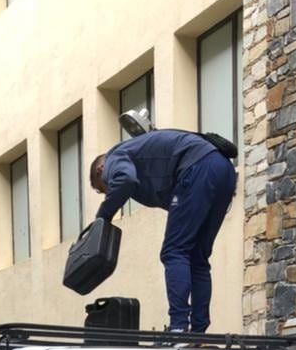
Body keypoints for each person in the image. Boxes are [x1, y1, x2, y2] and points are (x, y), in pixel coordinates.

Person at [90, 129, 237, 334]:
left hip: (197, 168)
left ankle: (178, 327)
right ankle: (198, 331)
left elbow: (125, 179)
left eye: (103, 188)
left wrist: (103, 216)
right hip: (224, 171)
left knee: (174, 251)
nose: (108, 190)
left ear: (100, 170)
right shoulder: (139, 153)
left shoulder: (114, 158)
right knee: (197, 257)